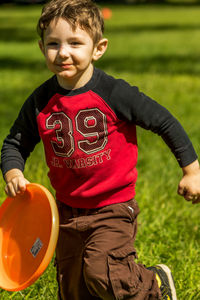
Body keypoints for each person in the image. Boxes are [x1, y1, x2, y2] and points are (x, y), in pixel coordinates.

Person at [1, 0, 200, 299]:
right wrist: (13, 172)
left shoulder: (113, 93)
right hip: (64, 210)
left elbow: (164, 121)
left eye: (75, 43)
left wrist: (192, 170)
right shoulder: (40, 101)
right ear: (42, 49)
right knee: (72, 287)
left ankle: (153, 285)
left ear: (98, 48)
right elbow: (15, 142)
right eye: (53, 44)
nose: (63, 52)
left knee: (104, 272)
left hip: (112, 206)